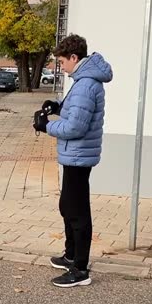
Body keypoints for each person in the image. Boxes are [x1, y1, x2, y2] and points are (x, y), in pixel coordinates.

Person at [34, 34, 112, 287]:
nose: (61, 67)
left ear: (74, 58)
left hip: (79, 156)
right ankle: (70, 256)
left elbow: (75, 127)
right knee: (67, 206)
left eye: (62, 61)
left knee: (77, 212)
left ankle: (80, 270)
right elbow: (75, 110)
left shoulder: (87, 84)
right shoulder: (83, 81)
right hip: (75, 155)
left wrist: (47, 126)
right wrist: (56, 106)